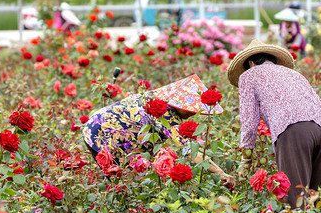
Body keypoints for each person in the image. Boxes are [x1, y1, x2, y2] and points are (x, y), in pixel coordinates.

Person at [226, 39, 321, 208]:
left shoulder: (248, 76)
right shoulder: (295, 74)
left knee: (296, 204)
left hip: (294, 131)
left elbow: (249, 122)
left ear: (251, 63)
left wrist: (245, 161)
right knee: (314, 202)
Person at [82, 74, 236, 189]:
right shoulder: (166, 113)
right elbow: (190, 151)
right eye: (190, 109)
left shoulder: (155, 97)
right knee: (122, 186)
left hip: (96, 127)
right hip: (101, 136)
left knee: (128, 183)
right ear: (179, 104)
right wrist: (221, 173)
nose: (192, 113)